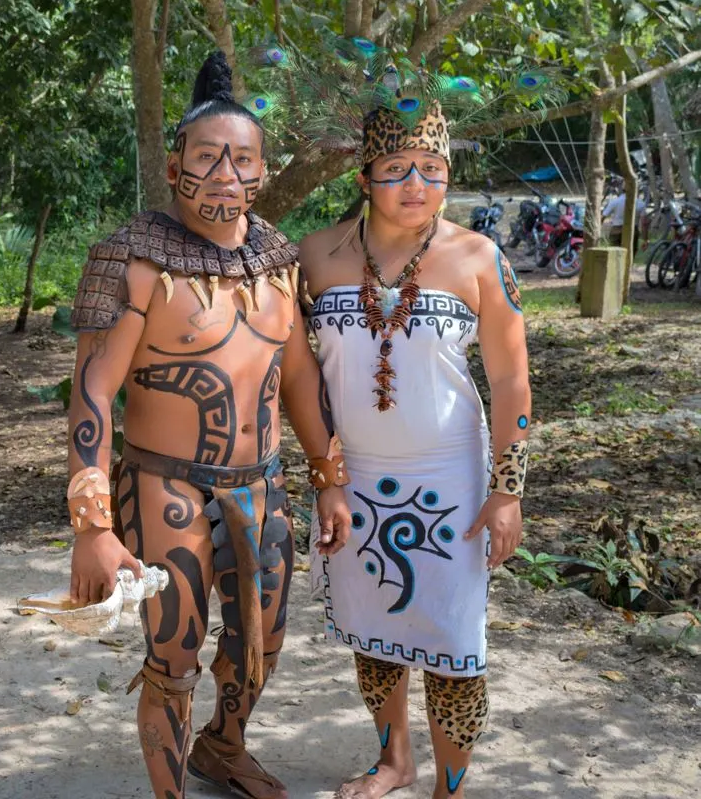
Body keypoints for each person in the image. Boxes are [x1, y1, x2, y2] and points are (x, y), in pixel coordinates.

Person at [66, 51, 350, 799]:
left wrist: (330, 480)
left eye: (243, 158)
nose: (225, 172)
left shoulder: (278, 263)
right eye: (207, 156)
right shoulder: (133, 259)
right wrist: (93, 523)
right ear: (174, 166)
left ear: (261, 170)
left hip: (264, 486)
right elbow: (94, 390)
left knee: (264, 644)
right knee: (175, 652)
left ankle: (222, 748)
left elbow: (298, 380)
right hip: (169, 486)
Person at [300, 93, 531, 797]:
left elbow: (513, 386)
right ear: (365, 175)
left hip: (453, 482)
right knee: (377, 632)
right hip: (354, 480)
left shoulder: (478, 258)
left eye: (432, 168)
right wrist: (325, 476)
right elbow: (299, 381)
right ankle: (393, 762)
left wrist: (506, 493)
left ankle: (449, 787)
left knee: (457, 647)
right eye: (397, 167)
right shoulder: (315, 257)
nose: (416, 185)